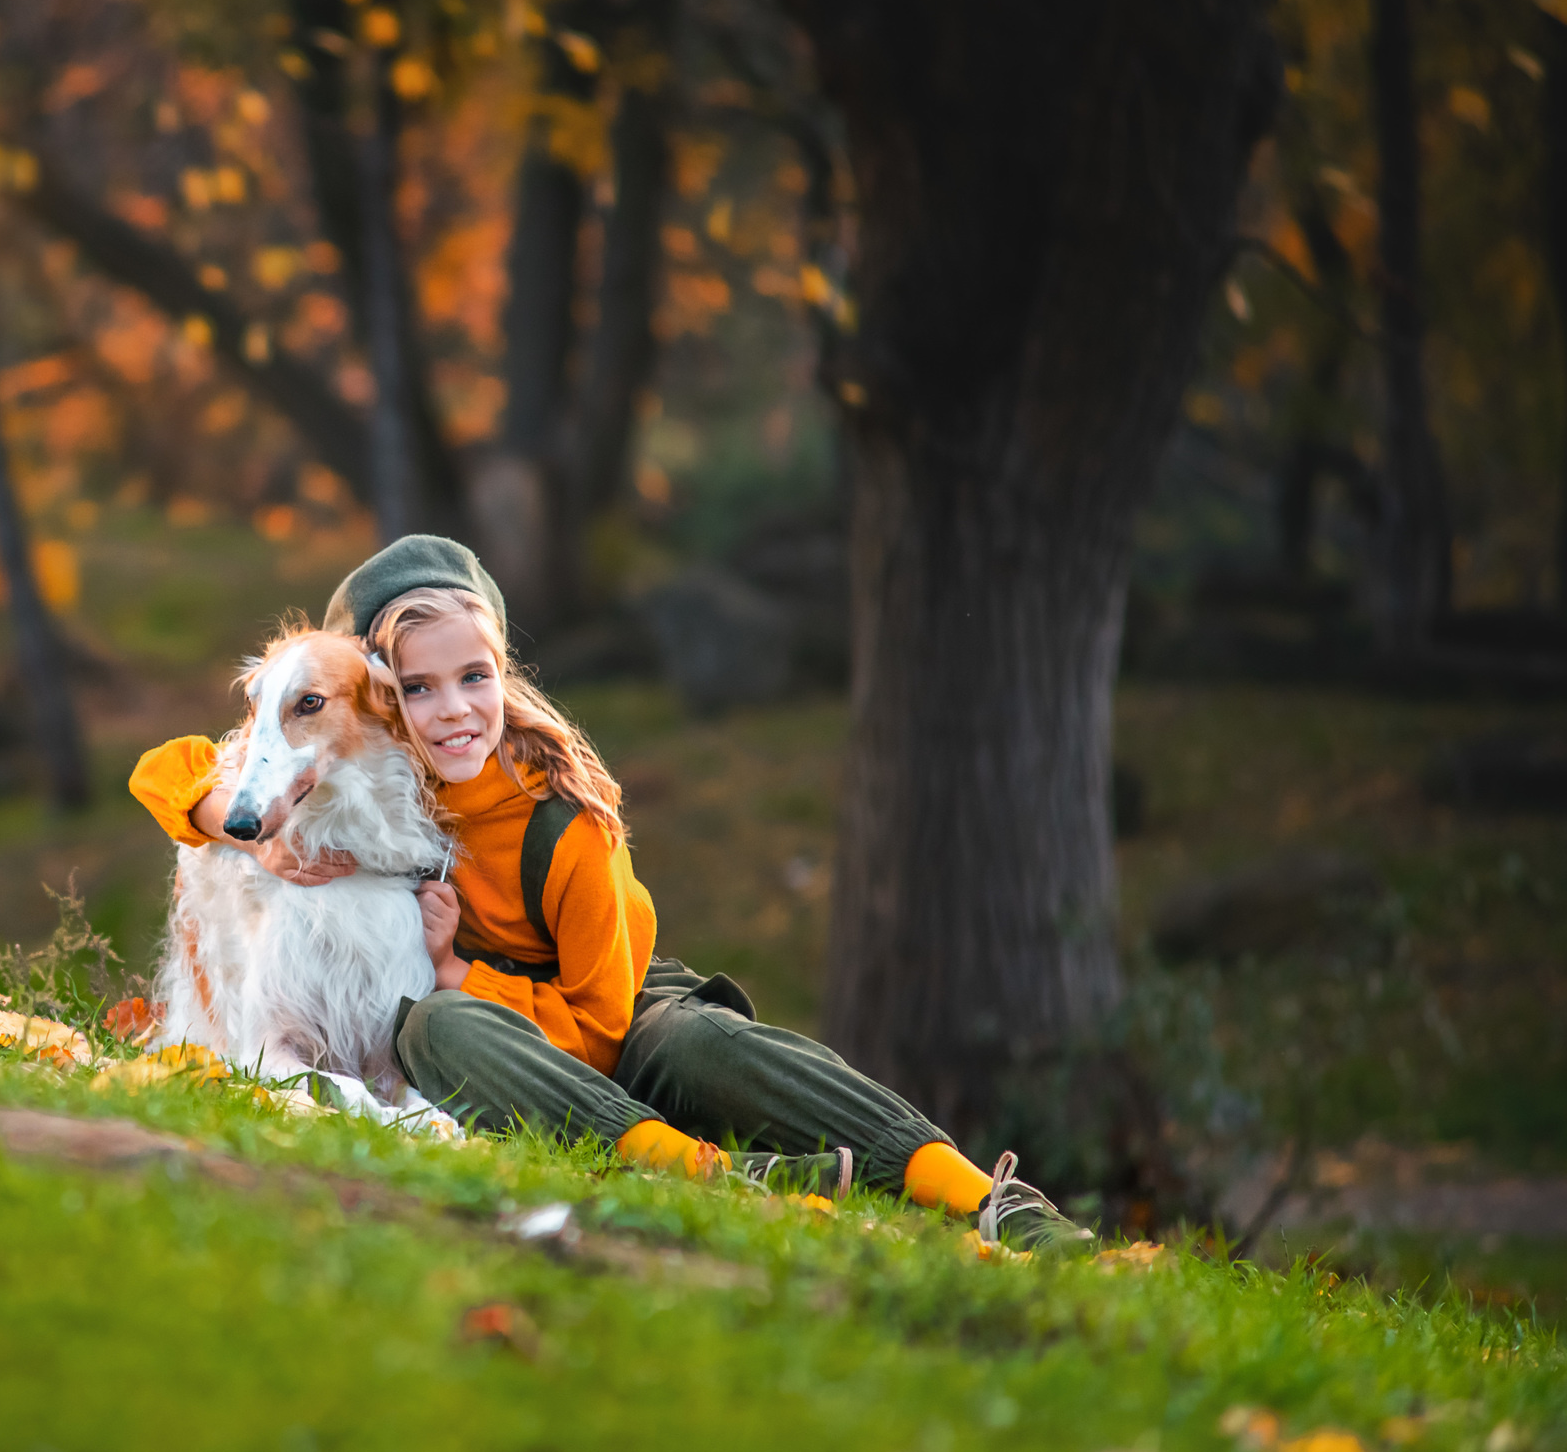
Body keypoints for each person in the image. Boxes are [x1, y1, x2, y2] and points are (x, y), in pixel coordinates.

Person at [130, 535, 1096, 1254]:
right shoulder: (373, 781)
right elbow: (174, 766)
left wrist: (462, 969)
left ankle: (988, 1197)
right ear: (380, 698)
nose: (452, 710)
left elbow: (600, 1021)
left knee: (693, 1041)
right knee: (437, 1029)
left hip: (612, 1005)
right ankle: (732, 1177)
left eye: (475, 677)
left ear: (503, 673)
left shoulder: (565, 819)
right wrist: (226, 818)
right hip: (498, 1040)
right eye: (419, 690)